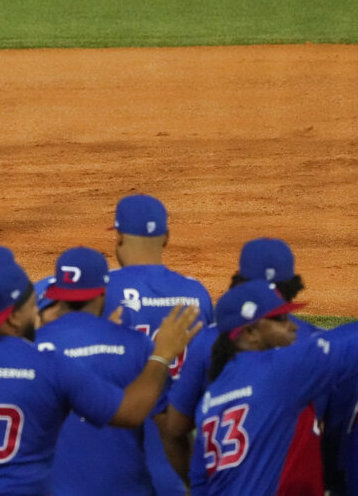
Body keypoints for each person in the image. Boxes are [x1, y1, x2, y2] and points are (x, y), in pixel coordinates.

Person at [0, 245, 201, 496]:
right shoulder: (46, 366)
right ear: (13, 316)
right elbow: (129, 413)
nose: (40, 313)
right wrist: (160, 356)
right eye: (33, 306)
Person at [160, 237, 323, 492]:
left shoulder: (206, 342)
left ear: (238, 279)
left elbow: (174, 430)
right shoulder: (314, 341)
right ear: (291, 286)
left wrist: (199, 484)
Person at [192, 281, 358, 495]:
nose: (293, 326)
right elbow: (348, 345)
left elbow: (199, 481)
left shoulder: (211, 397)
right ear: (250, 332)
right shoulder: (277, 371)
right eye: (280, 319)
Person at [102, 193, 214, 495]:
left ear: (120, 236)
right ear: (167, 238)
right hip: (179, 461)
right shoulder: (197, 295)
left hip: (113, 464)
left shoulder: (101, 291)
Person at [35, 246, 158, 495]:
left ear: (58, 297)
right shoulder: (138, 345)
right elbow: (163, 426)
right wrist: (162, 355)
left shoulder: (32, 346)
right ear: (102, 293)